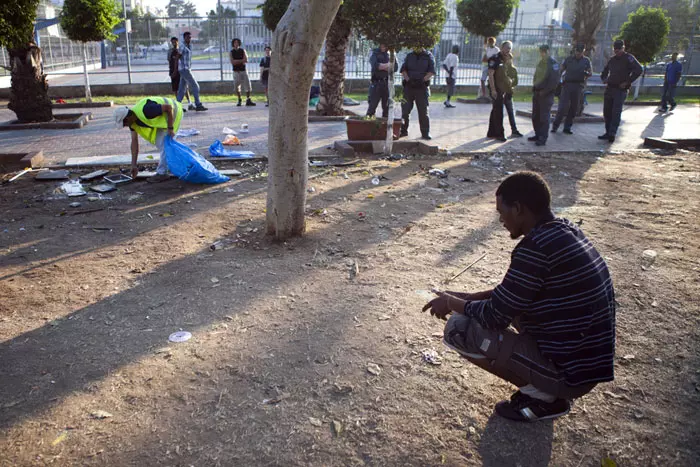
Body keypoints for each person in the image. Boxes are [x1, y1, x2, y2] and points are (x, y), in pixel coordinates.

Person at [423, 171, 615, 422]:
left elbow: (494, 316)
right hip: (585, 365)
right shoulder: (565, 231)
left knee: (459, 328)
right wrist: (466, 297)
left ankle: (544, 398)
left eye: (502, 212)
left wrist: (451, 303)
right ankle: (543, 386)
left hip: (570, 375)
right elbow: (513, 295)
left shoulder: (535, 249)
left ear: (518, 209)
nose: (500, 219)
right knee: (488, 311)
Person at [113, 97, 184, 183]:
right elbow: (134, 143)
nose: (125, 126)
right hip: (164, 118)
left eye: (124, 123)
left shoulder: (147, 111)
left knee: (165, 145)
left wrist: (170, 128)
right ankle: (175, 165)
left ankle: (162, 173)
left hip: (175, 112)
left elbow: (169, 108)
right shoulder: (132, 123)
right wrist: (133, 165)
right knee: (162, 144)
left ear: (128, 117)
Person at [599, 39, 642, 143]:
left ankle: (612, 133)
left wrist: (628, 82)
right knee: (607, 112)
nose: (616, 52)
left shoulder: (629, 58)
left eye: (619, 50)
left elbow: (639, 70)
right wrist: (604, 79)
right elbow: (605, 72)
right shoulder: (612, 60)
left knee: (616, 112)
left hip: (620, 89)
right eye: (615, 50)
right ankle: (607, 132)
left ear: (623, 48)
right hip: (610, 88)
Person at [551, 43, 592, 135]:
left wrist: (586, 73)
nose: (578, 53)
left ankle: (567, 127)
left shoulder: (586, 61)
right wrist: (557, 80)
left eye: (580, 52)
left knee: (573, 108)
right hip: (567, 85)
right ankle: (555, 126)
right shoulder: (568, 59)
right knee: (562, 107)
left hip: (578, 86)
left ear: (583, 52)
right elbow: (561, 70)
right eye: (577, 51)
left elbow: (590, 72)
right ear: (575, 51)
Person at [400, 47, 436, 140]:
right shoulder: (409, 56)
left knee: (423, 111)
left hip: (422, 87)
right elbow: (403, 70)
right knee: (405, 110)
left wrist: (422, 80)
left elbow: (431, 71)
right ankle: (403, 130)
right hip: (409, 87)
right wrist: (408, 80)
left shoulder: (429, 56)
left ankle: (425, 132)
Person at [528, 44, 559, 146]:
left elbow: (554, 82)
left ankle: (543, 138)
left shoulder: (553, 64)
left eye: (544, 51)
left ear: (549, 51)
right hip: (537, 93)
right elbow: (536, 75)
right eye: (541, 52)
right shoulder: (541, 62)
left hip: (546, 94)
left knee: (544, 117)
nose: (543, 53)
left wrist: (545, 91)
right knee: (535, 116)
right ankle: (537, 134)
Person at [486, 42, 511, 142]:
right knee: (499, 110)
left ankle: (491, 132)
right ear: (501, 48)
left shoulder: (507, 58)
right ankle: (500, 134)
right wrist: (493, 90)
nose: (508, 51)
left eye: (509, 49)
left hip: (502, 88)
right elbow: (491, 75)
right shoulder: (495, 58)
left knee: (495, 109)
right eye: (506, 48)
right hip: (495, 88)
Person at [177, 32, 207, 112]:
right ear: (184, 38)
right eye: (187, 37)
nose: (189, 39)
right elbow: (178, 56)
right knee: (195, 86)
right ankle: (198, 104)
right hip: (184, 69)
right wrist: (177, 68)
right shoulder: (182, 46)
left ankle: (177, 105)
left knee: (182, 88)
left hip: (187, 68)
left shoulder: (190, 46)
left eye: (190, 37)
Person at [366, 44, 398, 118]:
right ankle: (369, 125)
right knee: (372, 107)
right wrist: (389, 65)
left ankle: (385, 128)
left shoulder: (391, 53)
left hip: (387, 84)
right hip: (376, 83)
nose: (383, 46)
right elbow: (376, 66)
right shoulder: (374, 53)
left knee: (387, 109)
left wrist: (383, 66)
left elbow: (395, 68)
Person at [167, 37, 193, 111]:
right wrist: (172, 71)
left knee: (184, 87)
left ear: (178, 42)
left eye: (175, 42)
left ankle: (190, 103)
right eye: (172, 42)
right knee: (175, 88)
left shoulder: (181, 50)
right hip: (173, 71)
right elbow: (169, 60)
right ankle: (179, 105)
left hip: (181, 71)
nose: (174, 44)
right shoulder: (170, 51)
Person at [230, 38, 255, 107]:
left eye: (237, 42)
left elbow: (246, 59)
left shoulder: (243, 50)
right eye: (235, 43)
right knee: (236, 87)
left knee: (247, 85)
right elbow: (232, 62)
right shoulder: (231, 52)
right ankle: (239, 99)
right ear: (233, 44)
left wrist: (237, 61)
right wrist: (241, 61)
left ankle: (248, 99)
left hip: (243, 70)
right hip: (236, 71)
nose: (236, 44)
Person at [503, 50, 522, 137]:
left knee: (510, 112)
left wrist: (510, 84)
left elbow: (516, 81)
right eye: (506, 59)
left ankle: (514, 130)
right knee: (499, 112)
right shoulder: (502, 68)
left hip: (508, 93)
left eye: (509, 59)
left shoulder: (513, 69)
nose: (508, 61)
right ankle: (498, 130)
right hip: (501, 92)